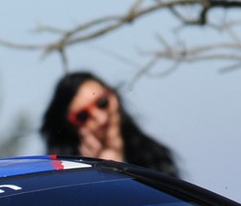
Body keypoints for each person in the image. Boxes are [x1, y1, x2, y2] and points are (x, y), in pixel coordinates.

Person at [40, 72, 179, 175]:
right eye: (83, 116)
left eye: (102, 103)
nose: (101, 118)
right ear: (68, 128)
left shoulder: (154, 155)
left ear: (114, 97)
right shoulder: (63, 175)